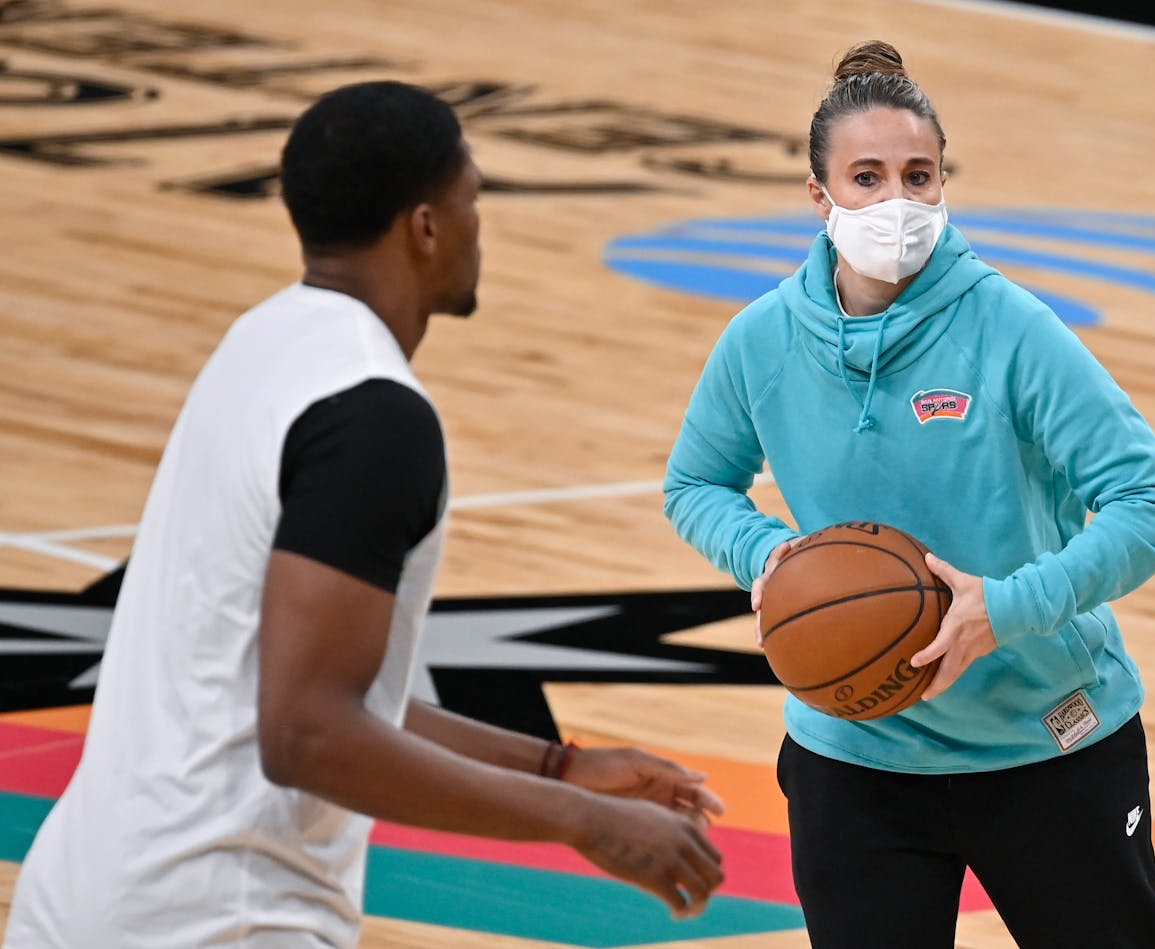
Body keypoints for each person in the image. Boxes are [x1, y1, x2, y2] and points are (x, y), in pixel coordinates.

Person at [5, 80, 723, 949]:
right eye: (472, 202)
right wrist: (578, 818)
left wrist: (559, 764)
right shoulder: (376, 417)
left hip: (83, 892)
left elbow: (301, 682)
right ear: (423, 226)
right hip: (218, 916)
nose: (477, 228)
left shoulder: (260, 344)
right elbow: (307, 731)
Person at [663, 41, 1155, 949]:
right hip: (857, 755)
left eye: (919, 175)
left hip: (1047, 739)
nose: (896, 202)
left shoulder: (1012, 329)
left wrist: (1009, 607)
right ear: (818, 196)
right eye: (866, 178)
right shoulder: (761, 342)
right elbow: (694, 484)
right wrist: (768, 555)